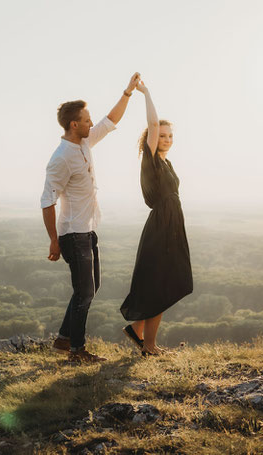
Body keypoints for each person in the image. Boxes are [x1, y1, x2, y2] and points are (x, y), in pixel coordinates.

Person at [41, 72, 141, 363]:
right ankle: (77, 351)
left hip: (88, 229)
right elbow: (47, 201)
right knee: (84, 293)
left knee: (91, 288)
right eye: (86, 120)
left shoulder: (84, 143)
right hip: (73, 233)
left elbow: (111, 121)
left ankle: (63, 339)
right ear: (74, 125)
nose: (90, 123)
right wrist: (53, 241)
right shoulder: (60, 158)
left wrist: (128, 92)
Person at [120, 80, 193, 356]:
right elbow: (151, 124)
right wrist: (146, 93)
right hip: (160, 228)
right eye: (163, 136)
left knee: (167, 282)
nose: (167, 139)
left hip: (171, 227)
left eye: (170, 135)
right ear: (152, 138)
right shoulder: (150, 160)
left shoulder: (166, 162)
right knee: (160, 285)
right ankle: (149, 347)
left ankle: (137, 331)